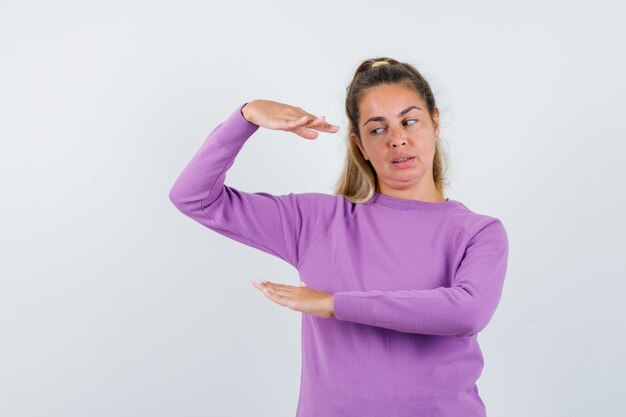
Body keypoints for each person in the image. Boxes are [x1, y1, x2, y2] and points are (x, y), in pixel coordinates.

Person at [168, 57, 509, 417]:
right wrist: (246, 117)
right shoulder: (318, 221)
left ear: (435, 123)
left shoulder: (479, 232)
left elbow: (466, 312)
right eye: (377, 129)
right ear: (359, 143)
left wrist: (334, 304)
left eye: (409, 121)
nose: (397, 140)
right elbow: (194, 197)